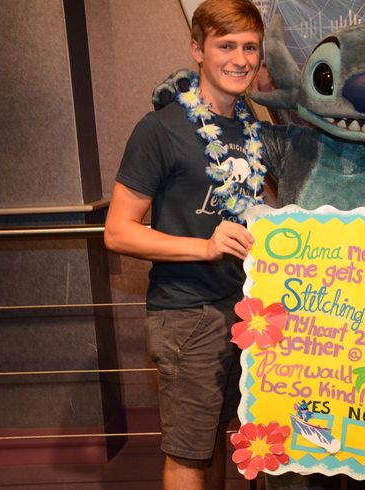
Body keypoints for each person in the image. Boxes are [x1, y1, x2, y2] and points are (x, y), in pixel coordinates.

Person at [103, 1, 264, 488]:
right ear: (197, 49)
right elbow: (118, 231)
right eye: (226, 46)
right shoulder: (161, 129)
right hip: (187, 313)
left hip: (246, 310)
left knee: (217, 440)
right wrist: (206, 247)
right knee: (188, 453)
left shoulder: (251, 128)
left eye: (250, 47)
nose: (240, 59)